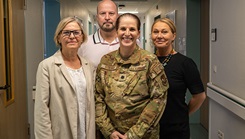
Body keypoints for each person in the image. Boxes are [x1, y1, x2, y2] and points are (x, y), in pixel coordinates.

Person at [95, 13, 169, 139]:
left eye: (132, 29)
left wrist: (133, 134)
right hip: (112, 134)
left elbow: (158, 99)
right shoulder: (106, 61)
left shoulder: (150, 61)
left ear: (138, 33)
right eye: (123, 29)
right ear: (116, 32)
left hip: (144, 135)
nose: (127, 33)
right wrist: (109, 131)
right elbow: (98, 97)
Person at [34, 16, 95, 139]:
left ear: (82, 37)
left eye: (76, 32)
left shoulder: (89, 66)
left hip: (86, 132)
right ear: (59, 37)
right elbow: (41, 110)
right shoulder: (47, 66)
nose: (72, 36)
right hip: (60, 133)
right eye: (66, 32)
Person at [151, 17, 206, 139]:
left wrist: (182, 114)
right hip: (149, 128)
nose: (159, 36)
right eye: (156, 32)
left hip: (175, 129)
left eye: (164, 32)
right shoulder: (147, 61)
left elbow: (200, 96)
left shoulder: (185, 63)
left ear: (173, 36)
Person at [78, 0, 119, 68]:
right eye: (102, 13)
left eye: (111, 13)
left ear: (117, 17)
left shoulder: (130, 43)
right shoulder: (84, 43)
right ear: (97, 17)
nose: (107, 18)